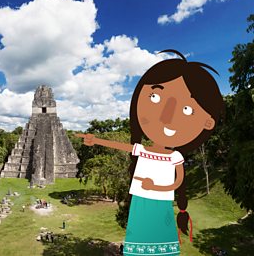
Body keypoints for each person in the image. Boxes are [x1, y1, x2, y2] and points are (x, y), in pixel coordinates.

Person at [77, 50, 224, 256]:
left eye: (187, 110)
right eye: (154, 97)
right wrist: (96, 140)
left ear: (207, 122)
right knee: (138, 244)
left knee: (159, 242)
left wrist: (155, 186)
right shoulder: (145, 151)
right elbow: (123, 147)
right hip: (140, 202)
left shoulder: (174, 157)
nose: (166, 116)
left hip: (159, 203)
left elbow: (178, 182)